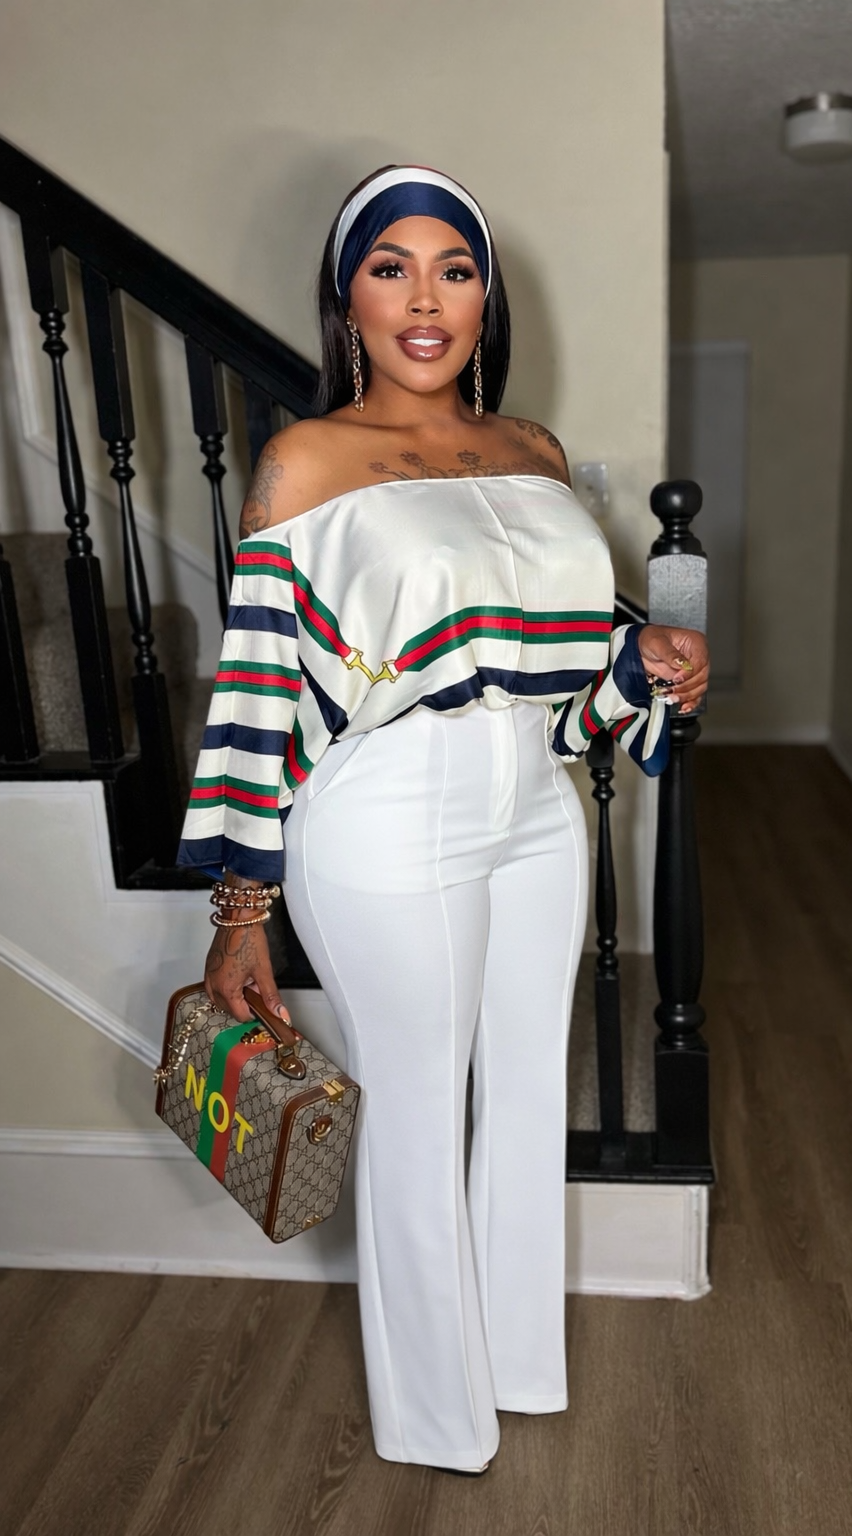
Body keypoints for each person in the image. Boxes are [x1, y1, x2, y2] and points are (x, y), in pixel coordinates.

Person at [178, 165, 709, 1473]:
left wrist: (640, 667)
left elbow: (557, 688)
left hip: (536, 803)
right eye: (392, 269)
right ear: (348, 300)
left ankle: (517, 1365)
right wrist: (240, 915)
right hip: (382, 812)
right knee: (419, 1110)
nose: (425, 301)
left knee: (529, 1091)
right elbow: (259, 697)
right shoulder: (305, 463)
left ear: (484, 298)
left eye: (454, 271)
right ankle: (433, 1419)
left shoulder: (533, 452)